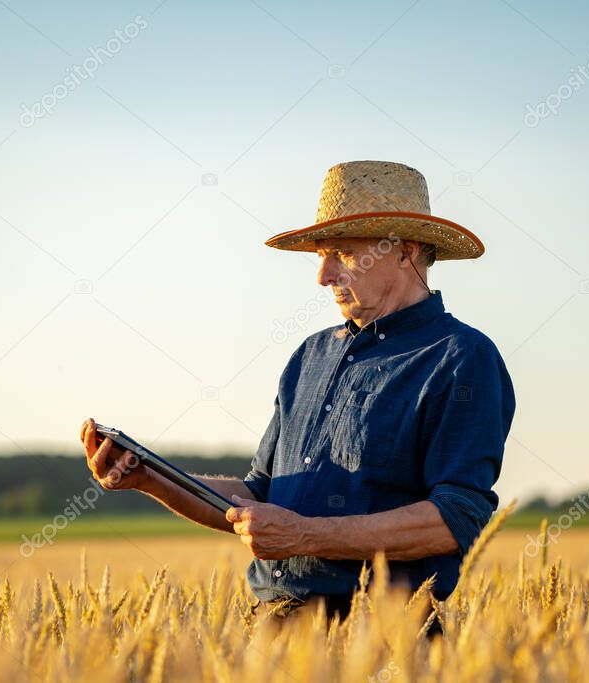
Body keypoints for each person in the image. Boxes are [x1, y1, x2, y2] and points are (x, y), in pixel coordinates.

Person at [80, 160, 515, 629]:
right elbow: (256, 495)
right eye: (321, 256)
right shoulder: (310, 356)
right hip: (273, 630)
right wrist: (148, 476)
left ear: (404, 251)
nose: (323, 275)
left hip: (386, 638)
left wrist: (306, 535)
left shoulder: (462, 357)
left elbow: (455, 518)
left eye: (342, 254)